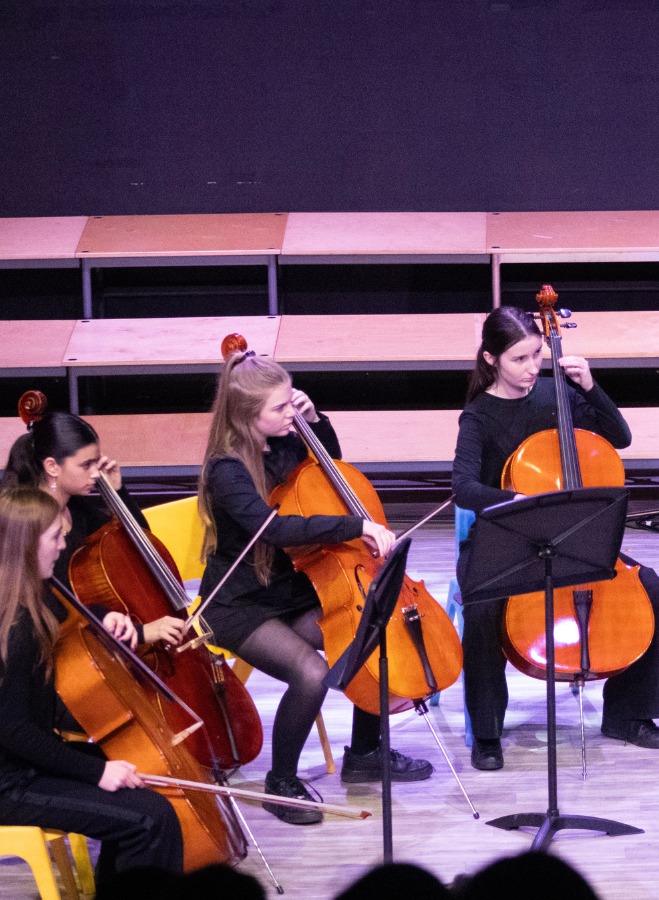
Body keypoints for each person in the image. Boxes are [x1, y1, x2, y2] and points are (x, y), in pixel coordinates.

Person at [196, 350, 430, 825]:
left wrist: (315, 421)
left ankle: (365, 752)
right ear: (246, 414)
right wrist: (355, 526)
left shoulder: (283, 441)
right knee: (310, 672)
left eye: (291, 401)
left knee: (370, 627)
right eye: (280, 407)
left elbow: (330, 472)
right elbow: (275, 530)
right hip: (240, 604)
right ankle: (280, 783)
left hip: (290, 589)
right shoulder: (227, 470)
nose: (290, 412)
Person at [453, 305, 659, 771]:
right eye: (519, 359)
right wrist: (517, 500)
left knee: (650, 587)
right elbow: (463, 487)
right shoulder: (478, 416)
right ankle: (487, 733)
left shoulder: (558, 394)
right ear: (491, 358)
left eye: (537, 355)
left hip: (571, 535)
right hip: (506, 536)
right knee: (483, 608)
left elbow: (620, 437)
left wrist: (590, 386)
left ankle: (628, 715)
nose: (532, 367)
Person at [0, 488, 184, 879]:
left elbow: (76, 616)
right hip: (10, 784)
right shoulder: (16, 628)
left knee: (145, 783)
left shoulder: (33, 597)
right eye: (55, 537)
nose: (62, 545)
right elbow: (14, 731)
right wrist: (97, 773)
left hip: (26, 763)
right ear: (25, 547)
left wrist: (108, 620)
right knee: (149, 820)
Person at [3, 410, 188, 648]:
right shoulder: (28, 524)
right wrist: (140, 633)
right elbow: (58, 613)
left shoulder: (78, 509)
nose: (95, 473)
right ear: (52, 466)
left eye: (96, 462)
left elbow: (140, 549)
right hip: (59, 648)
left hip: (97, 637)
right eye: (86, 465)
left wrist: (118, 493)